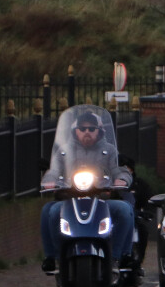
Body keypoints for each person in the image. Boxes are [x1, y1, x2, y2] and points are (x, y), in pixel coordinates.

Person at [40, 106, 134, 274]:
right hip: (70, 200)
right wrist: (49, 181)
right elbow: (53, 171)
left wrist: (121, 179)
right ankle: (54, 257)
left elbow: (120, 170)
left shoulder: (109, 150)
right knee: (50, 211)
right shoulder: (64, 151)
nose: (87, 132)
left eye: (92, 129)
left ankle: (119, 255)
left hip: (101, 199)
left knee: (125, 209)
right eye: (82, 129)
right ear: (75, 131)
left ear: (99, 131)